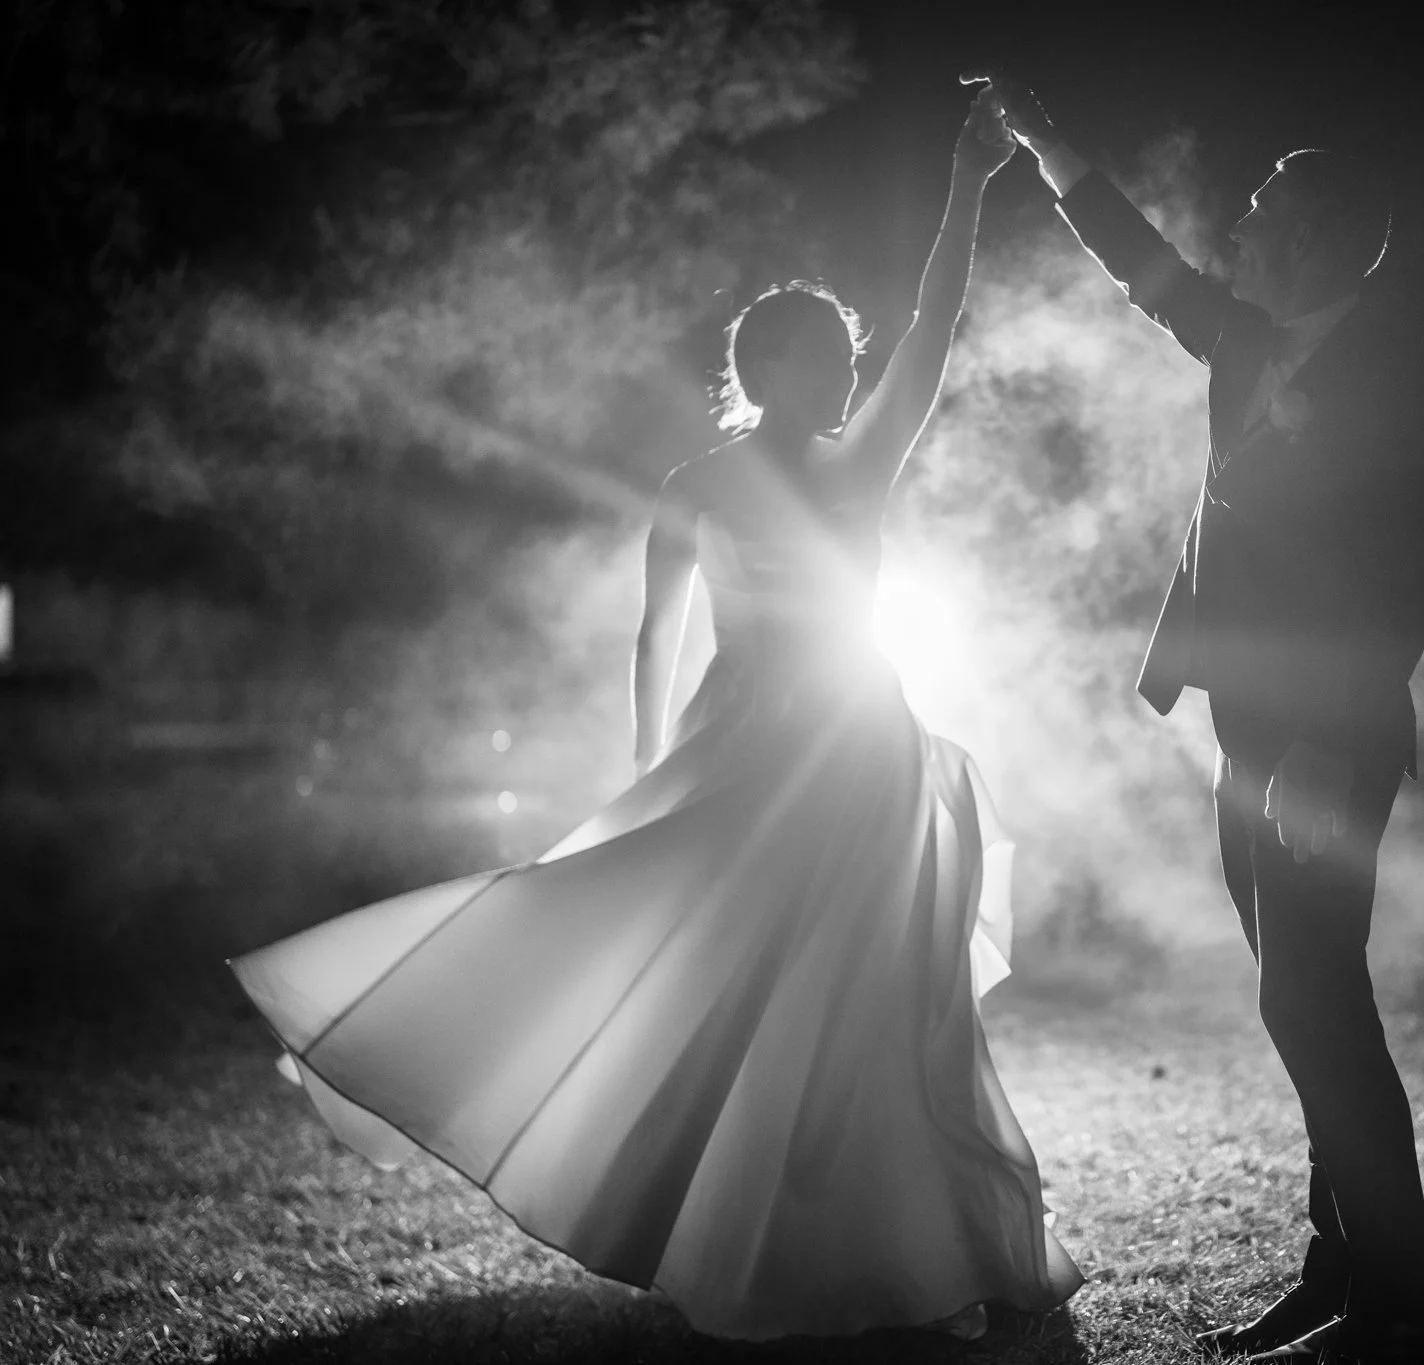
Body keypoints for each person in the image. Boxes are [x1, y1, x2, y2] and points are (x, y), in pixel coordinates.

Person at [228, 88, 1081, 1345]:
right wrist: (646, 782)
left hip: (853, 748)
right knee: (737, 993)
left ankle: (911, 1244)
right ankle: (765, 1238)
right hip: (744, 742)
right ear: (762, 372)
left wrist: (967, 183)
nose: (848, 373)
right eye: (824, 359)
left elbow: (935, 321)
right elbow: (652, 635)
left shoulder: (857, 463)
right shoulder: (699, 485)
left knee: (875, 1000)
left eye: (848, 359)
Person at [964, 72, 1424, 1365]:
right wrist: (1052, 143)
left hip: (1325, 743)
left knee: (1315, 1006)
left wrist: (1322, 749)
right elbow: (1146, 266)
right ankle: (1339, 1269)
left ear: (1312, 238)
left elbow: (1407, 581)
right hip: (1249, 729)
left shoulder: (1385, 373)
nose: (1237, 230)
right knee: (1301, 997)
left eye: (1258, 213)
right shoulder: (1246, 337)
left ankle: (1406, 1314)